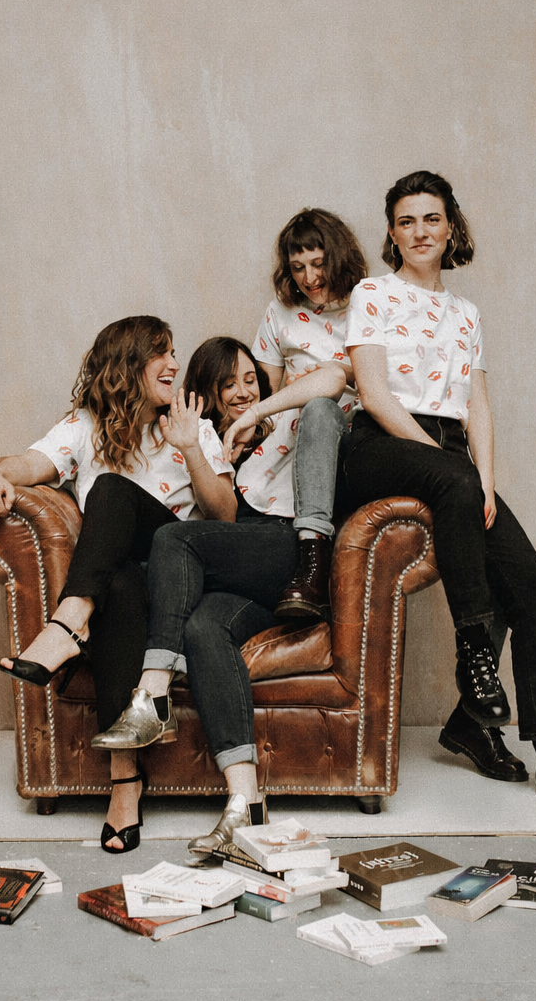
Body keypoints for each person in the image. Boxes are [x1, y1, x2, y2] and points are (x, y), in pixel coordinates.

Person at [341, 171, 536, 804]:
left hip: (452, 456)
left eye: (432, 219)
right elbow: (373, 394)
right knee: (453, 477)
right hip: (379, 443)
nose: (420, 232)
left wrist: (488, 479)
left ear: (451, 227)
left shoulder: (466, 313)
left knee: (535, 590)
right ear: (392, 233)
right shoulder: (374, 293)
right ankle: (474, 652)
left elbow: (476, 401)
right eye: (406, 221)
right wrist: (446, 465)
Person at [0, 316, 236, 852]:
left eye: (175, 353)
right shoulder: (85, 426)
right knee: (116, 587)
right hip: (121, 581)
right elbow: (32, 463)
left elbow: (225, 517)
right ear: (128, 363)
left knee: (111, 490)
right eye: (161, 353)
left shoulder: (191, 423)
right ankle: (125, 782)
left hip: (180, 572)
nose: (175, 364)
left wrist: (190, 448)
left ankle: (69, 624)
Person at [94, 335, 348, 852]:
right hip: (242, 576)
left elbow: (333, 380)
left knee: (175, 537)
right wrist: (209, 445)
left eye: (250, 379)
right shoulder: (206, 440)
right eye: (229, 384)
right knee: (202, 628)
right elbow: (218, 517)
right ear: (207, 391)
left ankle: (153, 693)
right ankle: (246, 803)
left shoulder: (284, 421)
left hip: (287, 550)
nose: (242, 391)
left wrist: (254, 415)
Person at [235, 208, 366, 621]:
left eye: (318, 263)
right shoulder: (280, 312)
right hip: (287, 441)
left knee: (323, 406)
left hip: (349, 441)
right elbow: (264, 391)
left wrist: (337, 374)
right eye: (297, 267)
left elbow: (378, 383)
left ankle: (313, 560)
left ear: (339, 256)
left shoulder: (370, 303)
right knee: (313, 406)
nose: (309, 278)